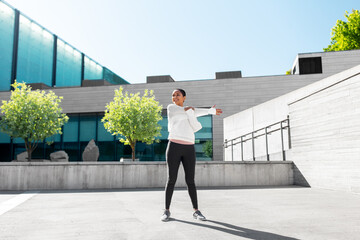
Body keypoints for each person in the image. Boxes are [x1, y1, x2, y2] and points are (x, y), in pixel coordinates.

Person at [161, 88, 222, 222]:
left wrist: (208, 111)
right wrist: (202, 111)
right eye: (173, 95)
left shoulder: (189, 112)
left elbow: (193, 116)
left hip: (188, 147)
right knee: (171, 179)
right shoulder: (171, 108)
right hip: (174, 146)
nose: (175, 97)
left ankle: (196, 211)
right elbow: (188, 111)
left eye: (178, 95)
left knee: (190, 181)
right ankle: (166, 210)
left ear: (184, 97)